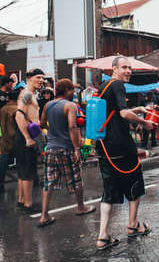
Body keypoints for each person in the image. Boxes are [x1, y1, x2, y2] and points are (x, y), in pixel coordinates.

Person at [95, 56, 153, 250]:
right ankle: (132, 225)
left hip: (103, 147)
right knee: (135, 183)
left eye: (130, 68)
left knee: (109, 191)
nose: (128, 71)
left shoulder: (103, 86)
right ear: (114, 69)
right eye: (124, 67)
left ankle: (102, 236)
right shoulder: (118, 85)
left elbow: (114, 110)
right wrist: (145, 122)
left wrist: (135, 109)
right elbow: (122, 114)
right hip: (121, 146)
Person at [38, 79, 96, 227]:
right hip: (66, 148)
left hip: (51, 149)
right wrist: (77, 149)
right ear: (67, 90)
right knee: (76, 178)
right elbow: (72, 127)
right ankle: (81, 207)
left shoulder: (48, 105)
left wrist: (54, 127)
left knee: (48, 182)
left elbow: (42, 124)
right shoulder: (70, 106)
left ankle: (44, 215)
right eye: (72, 90)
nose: (74, 93)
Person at [14, 68, 45, 212]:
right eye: (38, 77)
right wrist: (27, 138)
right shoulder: (26, 93)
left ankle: (22, 201)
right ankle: (28, 204)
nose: (41, 80)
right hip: (25, 135)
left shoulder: (30, 93)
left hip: (26, 134)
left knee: (22, 170)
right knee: (28, 171)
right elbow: (19, 115)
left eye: (42, 78)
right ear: (29, 78)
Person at [0, 89, 19, 193]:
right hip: (15, 139)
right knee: (22, 162)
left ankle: (1, 184)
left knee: (3, 162)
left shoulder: (3, 109)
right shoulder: (17, 110)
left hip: (4, 139)